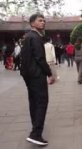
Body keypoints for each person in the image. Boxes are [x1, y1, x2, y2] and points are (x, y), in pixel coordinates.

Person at [20, 13, 52, 146]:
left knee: (33, 102)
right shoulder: (35, 37)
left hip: (28, 75)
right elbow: (40, 58)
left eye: (44, 21)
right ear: (32, 23)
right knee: (41, 102)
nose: (43, 23)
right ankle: (36, 134)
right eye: (40, 21)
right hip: (36, 75)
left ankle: (35, 128)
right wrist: (49, 73)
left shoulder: (27, 37)